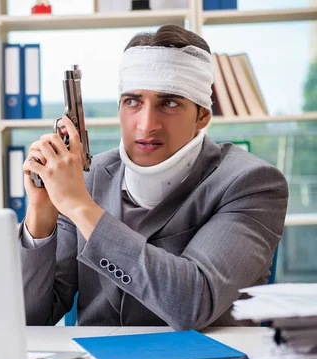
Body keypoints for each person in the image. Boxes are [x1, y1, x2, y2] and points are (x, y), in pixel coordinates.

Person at [20, 24, 289, 330]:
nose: (147, 125)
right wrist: (40, 215)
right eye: (132, 101)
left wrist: (80, 207)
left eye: (169, 103)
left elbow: (192, 303)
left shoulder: (252, 183)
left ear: (202, 116)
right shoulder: (89, 178)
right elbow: (30, 321)